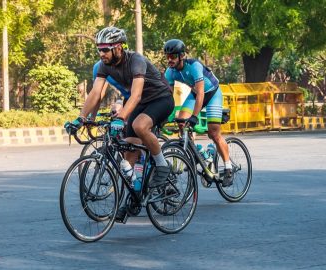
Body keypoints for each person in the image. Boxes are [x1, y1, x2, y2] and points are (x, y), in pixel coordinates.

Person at [66, 26, 175, 218]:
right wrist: (81, 118)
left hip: (160, 98)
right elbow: (95, 93)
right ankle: (134, 197)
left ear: (118, 48)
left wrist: (122, 117)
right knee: (129, 152)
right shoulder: (104, 65)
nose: (101, 53)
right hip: (139, 103)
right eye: (99, 49)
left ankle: (162, 165)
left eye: (105, 49)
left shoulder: (136, 60)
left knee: (139, 125)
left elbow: (136, 94)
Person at [163, 39, 233, 187]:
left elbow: (201, 92)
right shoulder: (170, 72)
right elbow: (168, 96)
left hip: (212, 93)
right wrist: (165, 115)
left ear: (181, 56)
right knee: (181, 121)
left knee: (214, 133)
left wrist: (194, 116)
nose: (169, 60)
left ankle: (228, 168)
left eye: (173, 56)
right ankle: (198, 153)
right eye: (167, 57)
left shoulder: (194, 66)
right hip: (195, 95)